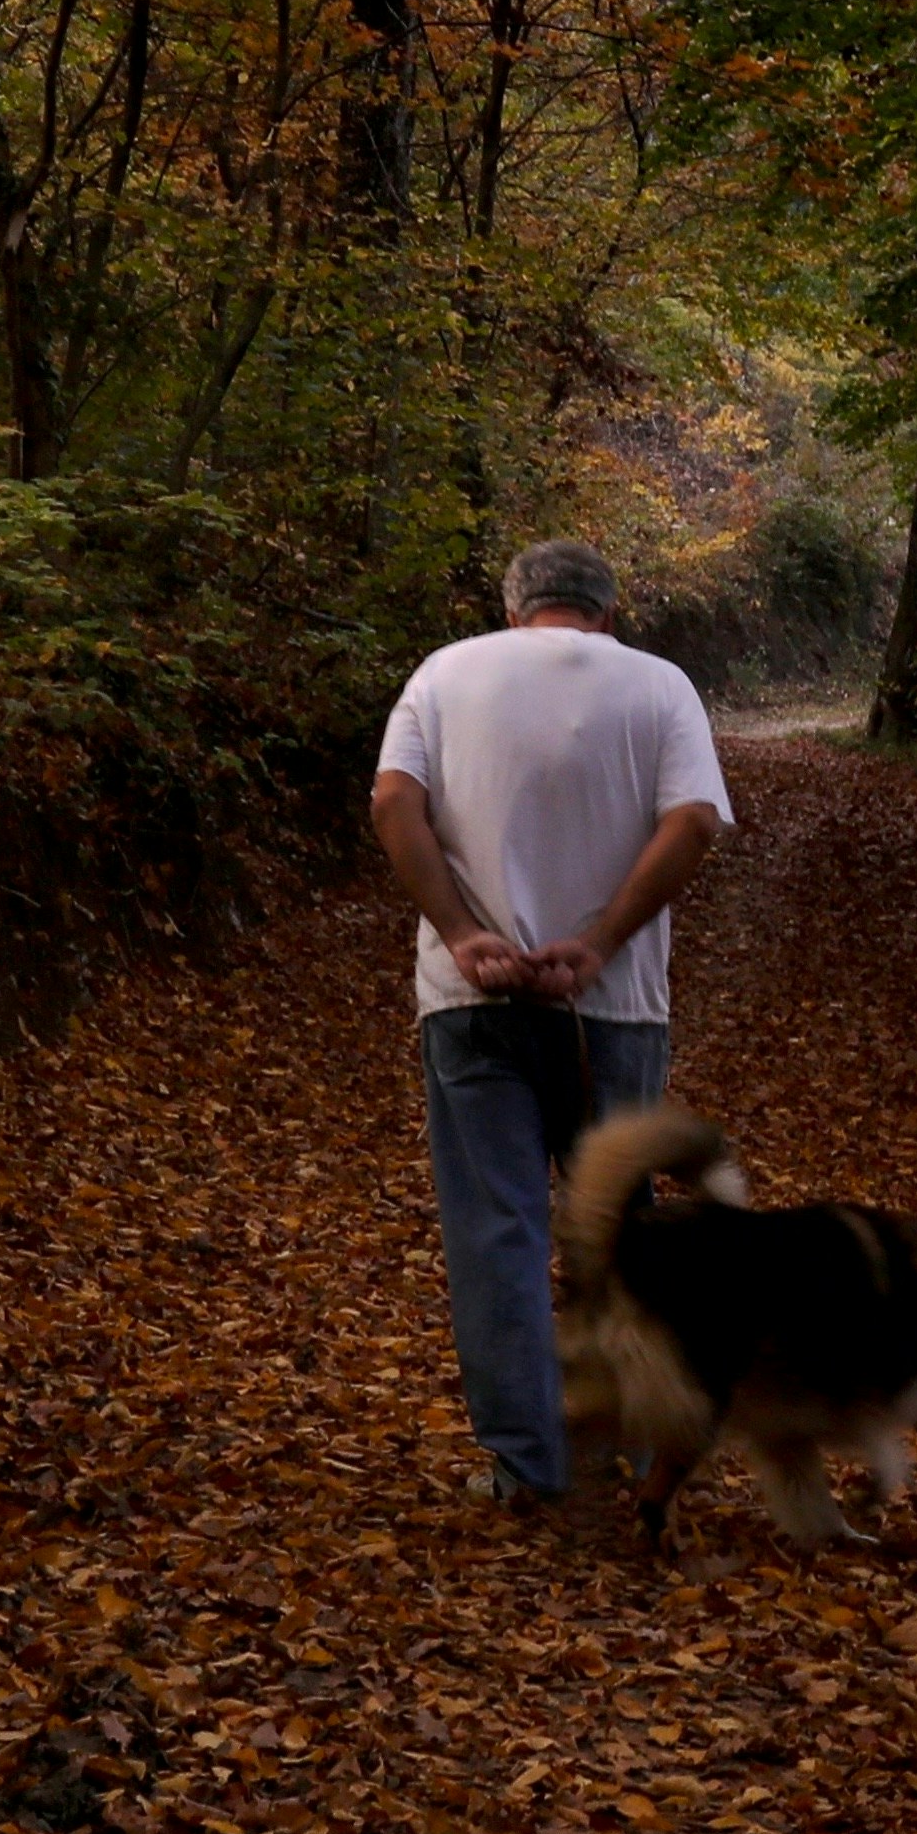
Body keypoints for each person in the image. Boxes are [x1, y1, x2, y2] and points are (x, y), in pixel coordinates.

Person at [369, 538, 731, 1513]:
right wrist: (600, 940)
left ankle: (528, 1466)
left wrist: (461, 931)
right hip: (612, 1007)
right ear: (608, 614)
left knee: (497, 1229)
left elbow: (392, 800)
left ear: (513, 607)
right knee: (615, 1226)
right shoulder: (659, 686)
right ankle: (618, 1441)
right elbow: (694, 820)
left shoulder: (444, 673)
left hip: (472, 998)